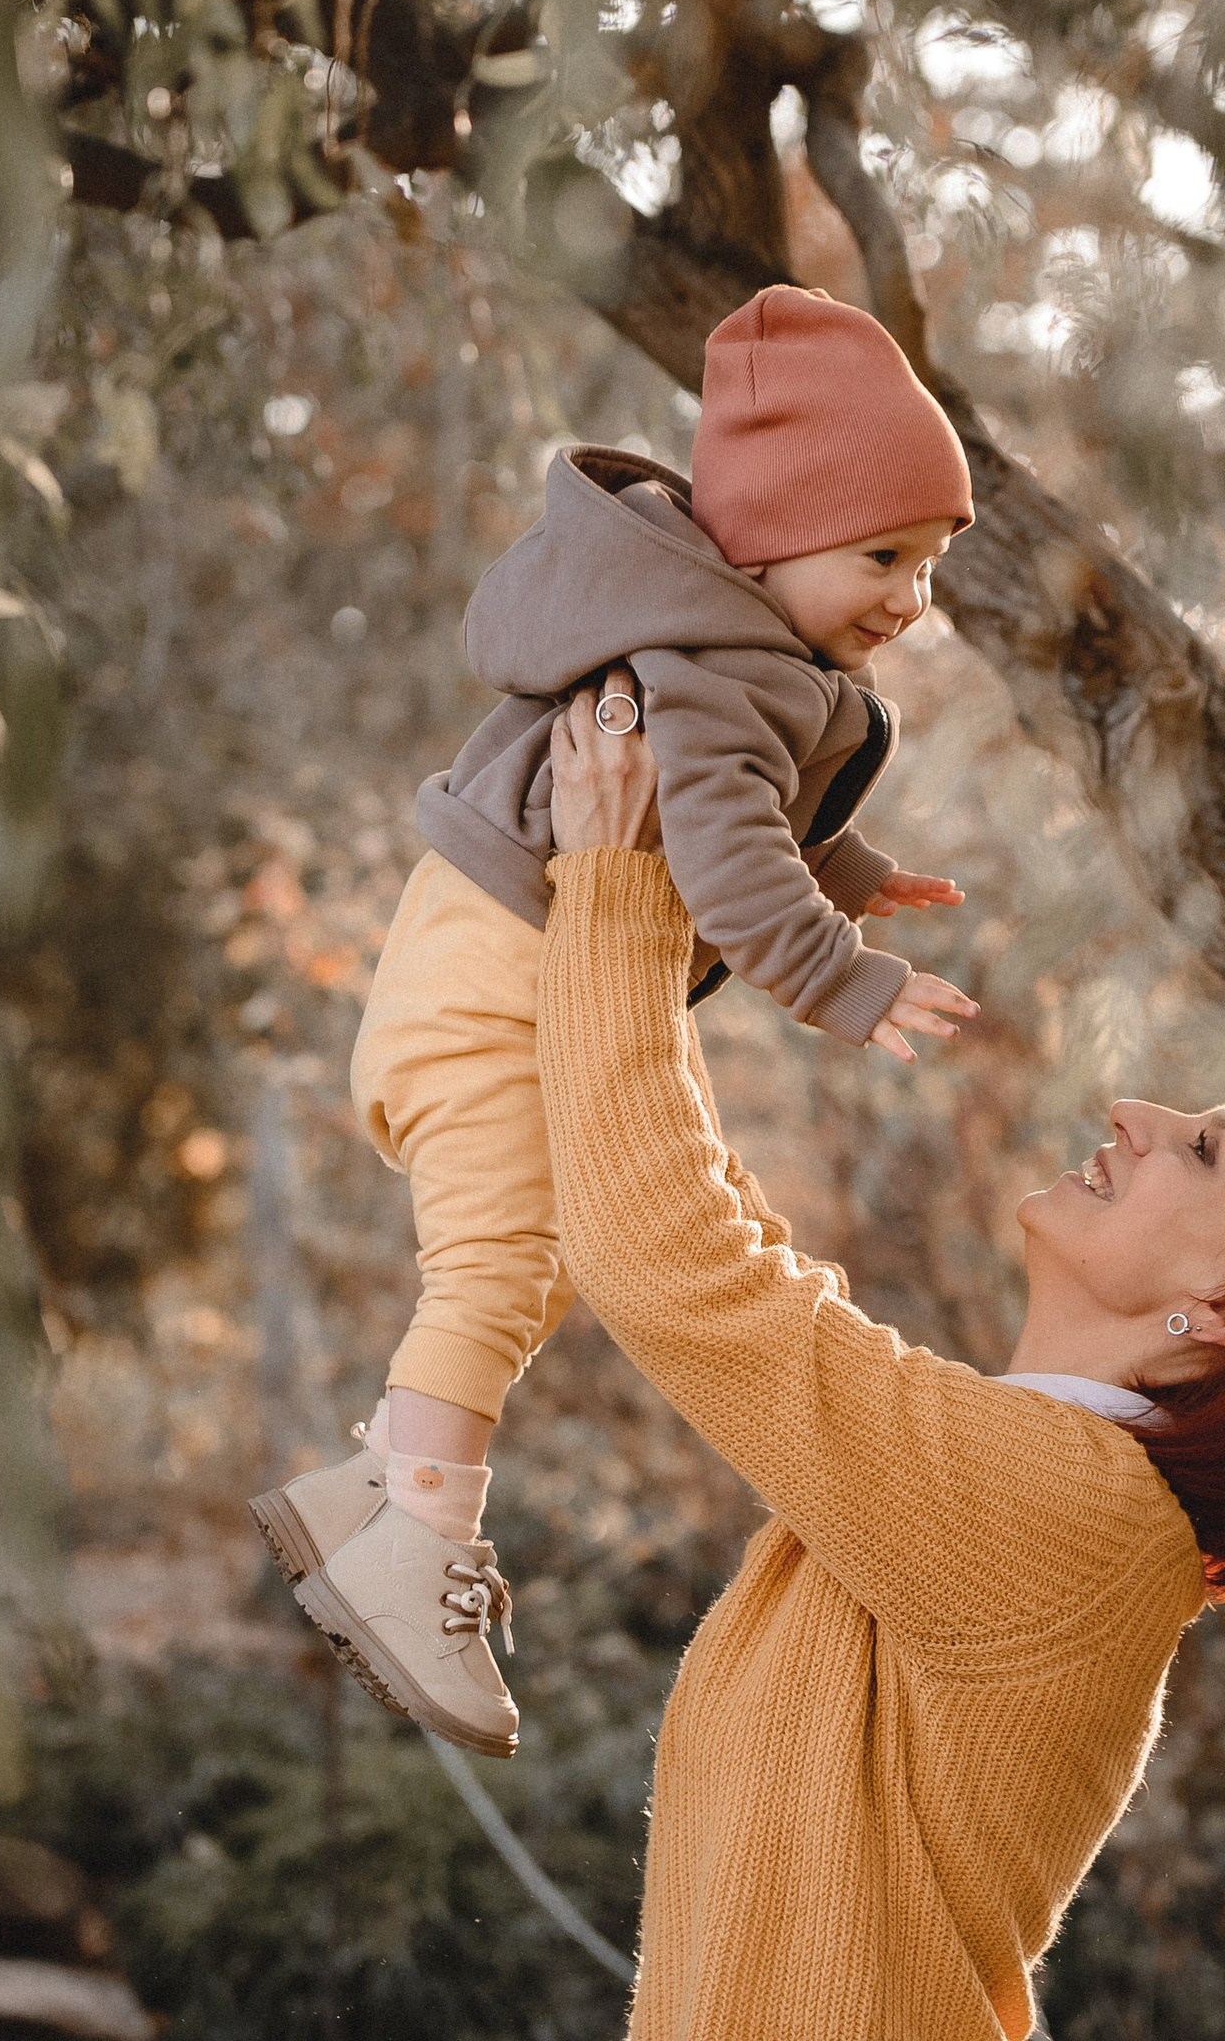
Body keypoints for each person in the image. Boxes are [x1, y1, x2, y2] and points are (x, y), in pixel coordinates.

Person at [530, 675, 1225, 2040]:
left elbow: (677, 1265)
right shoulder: (1022, 1490)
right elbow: (728, 1253)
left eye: (1204, 1149)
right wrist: (683, 878)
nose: (1137, 1112)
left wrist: (615, 886)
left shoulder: (1072, 1518)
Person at [251, 287, 984, 1755]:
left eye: (931, 562)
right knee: (500, 1266)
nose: (911, 597)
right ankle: (411, 1544)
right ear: (768, 539)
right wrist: (841, 972)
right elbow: (724, 854)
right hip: (491, 989)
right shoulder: (715, 669)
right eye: (882, 556)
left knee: (525, 1269)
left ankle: (378, 1492)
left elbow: (737, 812)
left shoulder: (714, 651)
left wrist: (846, 866)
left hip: (482, 972)